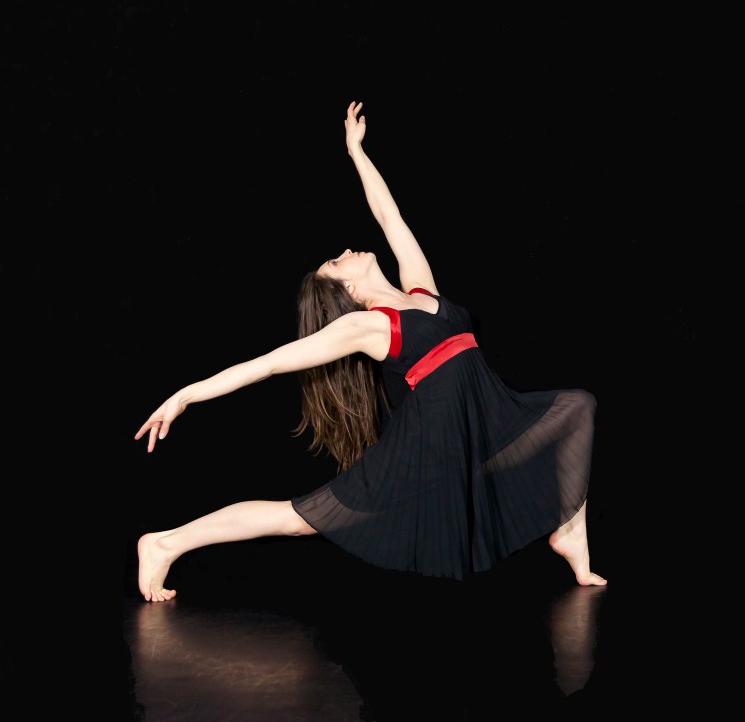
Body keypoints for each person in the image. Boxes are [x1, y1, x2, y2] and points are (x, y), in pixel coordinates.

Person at [134, 101, 606, 602]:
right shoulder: (368, 327)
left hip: (478, 429)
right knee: (299, 519)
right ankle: (165, 542)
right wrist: (184, 396)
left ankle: (569, 531)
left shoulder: (422, 292)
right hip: (426, 449)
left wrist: (356, 152)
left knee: (576, 408)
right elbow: (268, 364)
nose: (346, 252)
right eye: (337, 263)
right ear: (349, 293)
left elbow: (389, 215)